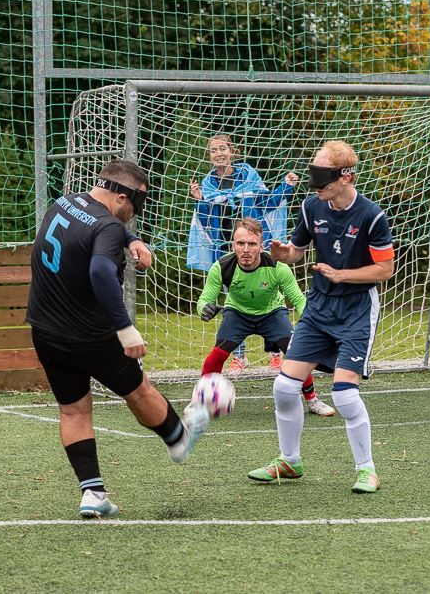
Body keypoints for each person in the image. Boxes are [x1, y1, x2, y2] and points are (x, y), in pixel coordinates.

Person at [26, 158, 210, 519]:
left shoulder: (64, 203)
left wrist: (132, 237)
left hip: (45, 331)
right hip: (91, 335)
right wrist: (126, 330)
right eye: (138, 204)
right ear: (123, 197)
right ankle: (177, 438)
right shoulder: (108, 226)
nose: (135, 213)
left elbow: (96, 229)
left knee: (73, 408)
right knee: (138, 388)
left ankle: (92, 492)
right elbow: (99, 270)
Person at [248, 140, 394, 494]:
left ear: (346, 177)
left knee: (344, 395)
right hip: (318, 308)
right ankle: (290, 461)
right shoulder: (312, 206)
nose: (315, 183)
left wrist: (344, 275)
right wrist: (284, 254)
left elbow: (385, 269)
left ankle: (366, 470)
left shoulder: (371, 215)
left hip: (356, 311)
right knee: (284, 388)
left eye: (321, 175)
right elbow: (296, 252)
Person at [196, 217, 336, 417]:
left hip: (272, 313)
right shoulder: (221, 267)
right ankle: (202, 400)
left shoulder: (278, 267)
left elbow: (297, 298)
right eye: (240, 243)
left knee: (297, 352)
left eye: (252, 244)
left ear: (261, 247)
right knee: (217, 354)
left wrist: (313, 321)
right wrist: (204, 309)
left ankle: (312, 400)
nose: (246, 249)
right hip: (237, 313)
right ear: (232, 245)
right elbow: (203, 300)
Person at [187, 133, 300, 371]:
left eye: (222, 149)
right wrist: (199, 200)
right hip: (227, 251)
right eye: (213, 150)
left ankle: (275, 354)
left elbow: (268, 202)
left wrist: (286, 187)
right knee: (233, 301)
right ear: (209, 156)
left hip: (257, 250)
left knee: (270, 299)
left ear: (232, 152)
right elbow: (207, 221)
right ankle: (239, 356)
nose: (218, 153)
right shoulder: (207, 185)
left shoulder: (249, 176)